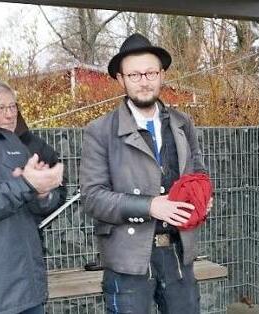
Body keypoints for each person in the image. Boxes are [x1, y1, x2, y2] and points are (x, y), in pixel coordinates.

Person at [80, 34, 207, 313]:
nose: (144, 80)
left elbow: (198, 174)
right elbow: (92, 197)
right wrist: (150, 206)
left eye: (150, 72)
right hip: (128, 260)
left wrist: (203, 198)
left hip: (178, 254)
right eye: (134, 74)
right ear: (121, 80)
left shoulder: (183, 123)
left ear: (162, 75)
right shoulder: (100, 131)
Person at [0, 66, 64, 313]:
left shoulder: (7, 140)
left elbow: (36, 207)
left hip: (28, 289)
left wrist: (42, 193)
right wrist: (26, 185)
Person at [0, 81, 67, 211]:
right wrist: (25, 184)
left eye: (12, 106)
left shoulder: (37, 146)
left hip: (29, 229)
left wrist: (44, 196)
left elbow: (59, 194)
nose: (10, 115)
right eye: (1, 108)